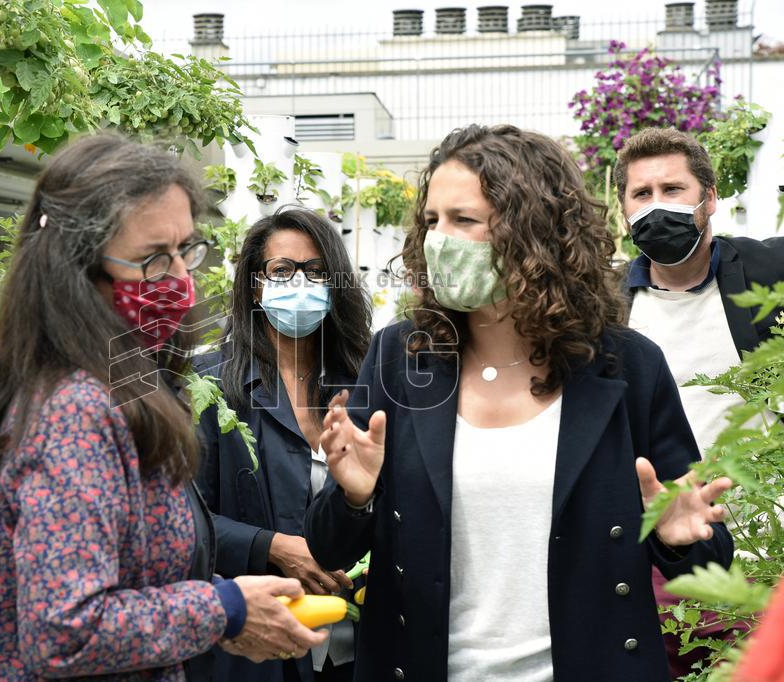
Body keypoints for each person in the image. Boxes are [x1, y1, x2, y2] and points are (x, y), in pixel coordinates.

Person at [305, 124, 735, 682]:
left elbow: (708, 554)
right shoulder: (401, 356)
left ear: (534, 230)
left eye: (464, 220)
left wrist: (677, 540)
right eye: (432, 221)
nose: (439, 240)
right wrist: (355, 497)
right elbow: (328, 549)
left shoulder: (626, 366)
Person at [0, 133, 327, 681]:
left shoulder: (125, 386)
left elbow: (136, 581)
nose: (180, 278)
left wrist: (230, 609)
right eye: (153, 259)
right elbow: (65, 630)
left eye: (185, 250)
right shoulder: (74, 411)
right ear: (75, 271)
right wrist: (225, 609)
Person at [617, 127, 784, 676]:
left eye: (673, 189)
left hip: (764, 555)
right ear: (623, 210)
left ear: (709, 198)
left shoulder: (767, 273)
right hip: (661, 562)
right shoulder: (606, 308)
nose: (656, 205)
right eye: (642, 194)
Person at [195, 207, 373, 682]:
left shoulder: (366, 380)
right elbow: (183, 517)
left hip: (355, 647)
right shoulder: (208, 386)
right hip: (259, 649)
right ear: (256, 286)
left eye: (316, 271)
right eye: (281, 270)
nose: (300, 283)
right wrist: (271, 546)